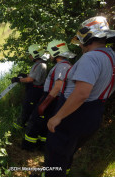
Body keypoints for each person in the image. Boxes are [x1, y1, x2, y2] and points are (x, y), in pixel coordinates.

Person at [44, 16, 115, 176]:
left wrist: (58, 117)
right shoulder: (111, 56)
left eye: (81, 41)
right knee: (68, 152)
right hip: (94, 113)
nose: (81, 46)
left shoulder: (91, 58)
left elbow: (82, 93)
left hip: (73, 115)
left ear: (87, 37)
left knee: (55, 155)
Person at [22, 40, 75, 150]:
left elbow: (58, 86)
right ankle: (41, 145)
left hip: (52, 97)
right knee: (44, 121)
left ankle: (28, 146)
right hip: (53, 98)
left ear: (55, 52)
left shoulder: (62, 66)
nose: (49, 55)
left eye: (50, 52)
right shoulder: (65, 65)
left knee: (35, 120)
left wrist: (45, 103)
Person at [11, 44, 47, 128]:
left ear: (35, 54)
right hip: (34, 89)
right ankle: (24, 125)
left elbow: (31, 79)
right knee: (27, 107)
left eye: (30, 54)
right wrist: (25, 75)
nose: (29, 56)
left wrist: (18, 80)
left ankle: (19, 127)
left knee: (27, 108)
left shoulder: (40, 65)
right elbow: (32, 76)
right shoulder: (39, 64)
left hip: (35, 91)